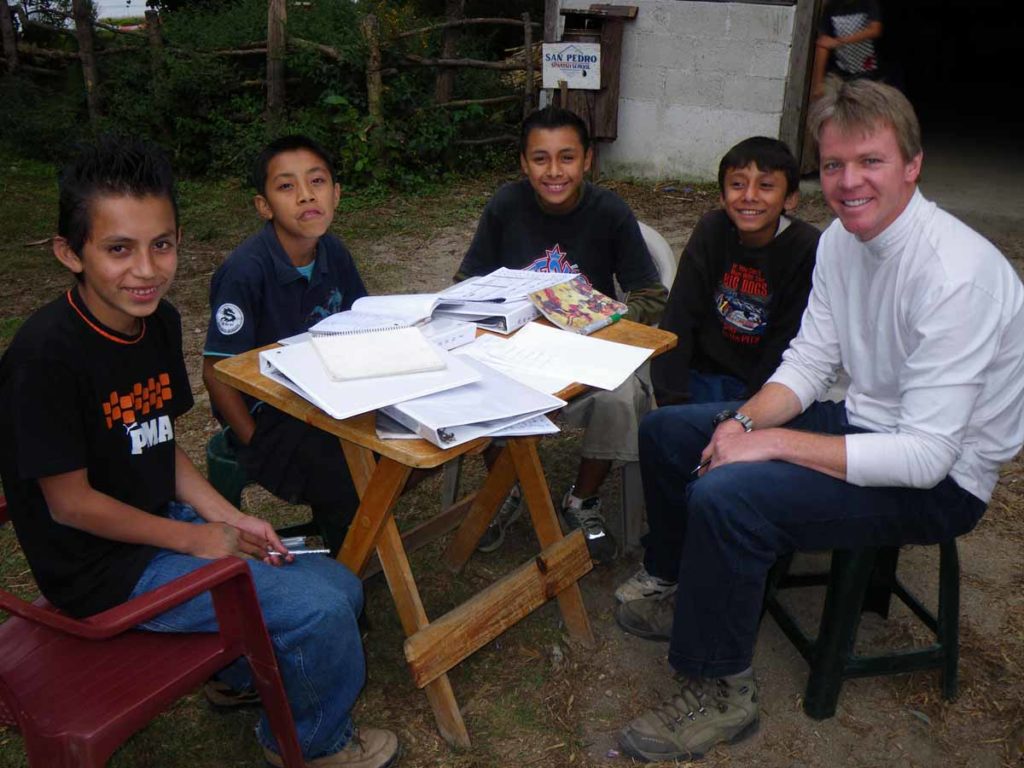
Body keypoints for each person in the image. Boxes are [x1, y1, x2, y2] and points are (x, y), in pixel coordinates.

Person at [613, 79, 1024, 763]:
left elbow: (924, 457)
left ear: (913, 165)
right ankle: (680, 580)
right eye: (834, 164)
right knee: (670, 430)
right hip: (865, 424)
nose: (849, 181)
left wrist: (767, 444)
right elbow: (807, 363)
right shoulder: (841, 243)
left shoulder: (957, 275)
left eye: (871, 162)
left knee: (728, 494)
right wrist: (742, 422)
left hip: (944, 478)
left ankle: (722, 690)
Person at [0, 137, 398, 768]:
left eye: (161, 244)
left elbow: (162, 448)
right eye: (118, 249)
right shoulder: (44, 358)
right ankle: (311, 745)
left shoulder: (155, 322)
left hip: (161, 527)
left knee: (342, 587)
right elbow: (71, 505)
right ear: (69, 253)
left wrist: (229, 518)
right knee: (325, 607)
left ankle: (237, 678)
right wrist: (195, 541)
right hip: (103, 573)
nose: (145, 269)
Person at [455, 105, 668, 563]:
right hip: (518, 351)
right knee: (472, 379)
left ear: (588, 160)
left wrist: (601, 317)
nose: (554, 171)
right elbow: (466, 283)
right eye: (540, 158)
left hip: (585, 351)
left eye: (567, 157)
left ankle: (582, 499)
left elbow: (652, 293)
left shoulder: (609, 211)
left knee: (623, 394)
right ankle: (507, 489)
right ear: (523, 162)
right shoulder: (505, 206)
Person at [617, 136, 820, 603]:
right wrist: (671, 398)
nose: (749, 196)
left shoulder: (807, 248)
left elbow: (787, 345)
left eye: (765, 185)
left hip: (765, 389)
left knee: (724, 469)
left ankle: (725, 566)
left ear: (790, 198)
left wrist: (746, 418)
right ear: (721, 191)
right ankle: (665, 564)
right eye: (737, 184)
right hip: (701, 378)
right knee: (665, 434)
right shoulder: (712, 230)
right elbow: (680, 317)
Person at [203, 135, 365, 557]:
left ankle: (362, 532)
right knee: (345, 473)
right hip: (270, 417)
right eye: (287, 186)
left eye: (317, 181)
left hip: (329, 399)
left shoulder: (334, 254)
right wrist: (253, 440)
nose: (306, 195)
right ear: (264, 206)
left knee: (398, 447)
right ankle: (351, 570)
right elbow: (216, 372)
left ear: (336, 193)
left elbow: (361, 327)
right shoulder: (245, 271)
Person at [811, 0, 884, 99]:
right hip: (840, 73)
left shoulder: (868, 3)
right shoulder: (831, 8)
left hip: (868, 73)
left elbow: (875, 30)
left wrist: (840, 41)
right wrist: (818, 83)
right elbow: (823, 43)